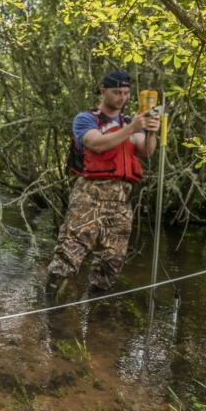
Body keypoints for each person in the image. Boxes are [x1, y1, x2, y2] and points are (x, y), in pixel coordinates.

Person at [45, 71, 160, 297]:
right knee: (70, 251)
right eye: (117, 92)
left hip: (121, 199)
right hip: (90, 195)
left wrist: (151, 132)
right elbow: (95, 144)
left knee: (112, 261)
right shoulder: (87, 119)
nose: (121, 98)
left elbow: (146, 150)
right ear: (103, 91)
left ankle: (97, 314)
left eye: (126, 93)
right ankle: (50, 310)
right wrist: (131, 128)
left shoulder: (129, 122)